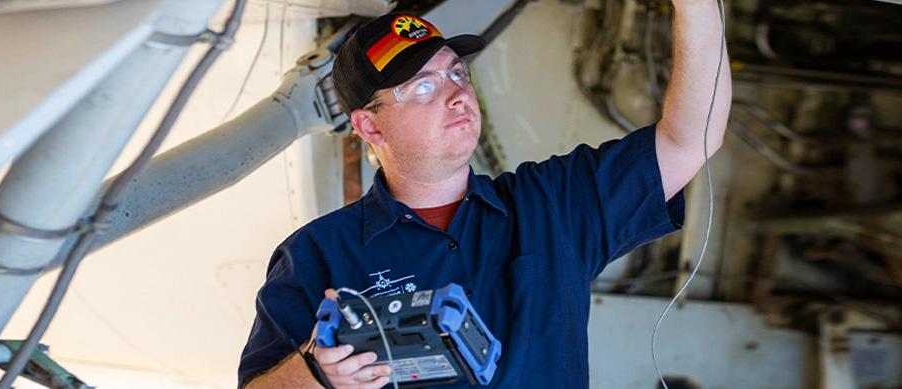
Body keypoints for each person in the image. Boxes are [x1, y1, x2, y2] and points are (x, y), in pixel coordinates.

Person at [240, 2, 730, 387]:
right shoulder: (317, 255)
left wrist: (697, 7)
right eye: (423, 87)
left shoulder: (551, 204)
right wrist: (316, 376)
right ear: (370, 125)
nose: (456, 93)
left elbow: (693, 138)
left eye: (457, 73)